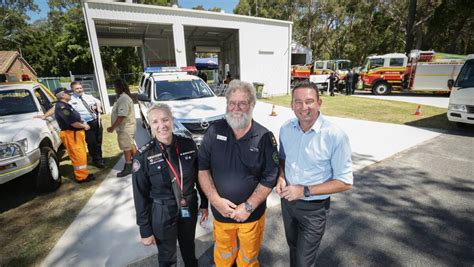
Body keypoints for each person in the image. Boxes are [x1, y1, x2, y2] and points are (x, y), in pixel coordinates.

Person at [198, 80, 279, 266]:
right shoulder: (214, 130)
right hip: (221, 214)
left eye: (242, 103)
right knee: (223, 257)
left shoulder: (264, 137)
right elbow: (202, 168)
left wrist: (248, 207)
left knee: (248, 259)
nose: (236, 108)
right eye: (232, 103)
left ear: (252, 105)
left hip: (251, 216)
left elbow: (270, 176)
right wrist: (216, 201)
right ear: (227, 104)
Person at [275, 80, 353, 267]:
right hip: (288, 203)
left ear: (319, 102)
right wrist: (281, 176)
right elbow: (283, 158)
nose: (304, 107)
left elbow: (345, 181)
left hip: (314, 210)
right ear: (292, 104)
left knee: (303, 262)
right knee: (293, 248)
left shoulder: (335, 135)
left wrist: (305, 191)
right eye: (298, 102)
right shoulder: (286, 129)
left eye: (309, 101)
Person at [132, 104, 209, 267]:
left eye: (165, 119)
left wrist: (204, 203)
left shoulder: (188, 145)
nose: (161, 125)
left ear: (172, 120)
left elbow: (199, 177)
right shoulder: (143, 156)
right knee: (167, 256)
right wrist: (144, 229)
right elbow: (140, 195)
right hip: (162, 211)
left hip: (188, 205)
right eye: (155, 122)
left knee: (189, 246)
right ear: (150, 125)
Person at [53, 87, 95, 183]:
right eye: (68, 93)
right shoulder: (62, 107)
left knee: (81, 154)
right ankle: (81, 177)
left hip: (75, 134)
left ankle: (83, 174)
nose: (70, 94)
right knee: (78, 155)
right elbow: (73, 123)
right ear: (62, 95)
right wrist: (84, 126)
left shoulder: (65, 105)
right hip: (71, 134)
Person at [69, 81, 105, 168]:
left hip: (96, 121)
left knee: (98, 141)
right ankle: (97, 160)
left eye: (80, 88)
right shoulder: (70, 100)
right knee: (91, 142)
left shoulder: (88, 96)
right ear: (72, 89)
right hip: (86, 124)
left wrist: (98, 107)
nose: (79, 90)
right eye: (77, 88)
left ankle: (99, 157)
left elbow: (98, 101)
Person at [107, 79, 137, 177]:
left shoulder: (123, 98)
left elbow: (121, 116)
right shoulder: (122, 97)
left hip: (125, 128)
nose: (114, 89)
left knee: (126, 148)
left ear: (119, 87)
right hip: (127, 127)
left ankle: (128, 167)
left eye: (115, 87)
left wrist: (112, 128)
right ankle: (139, 162)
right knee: (130, 144)